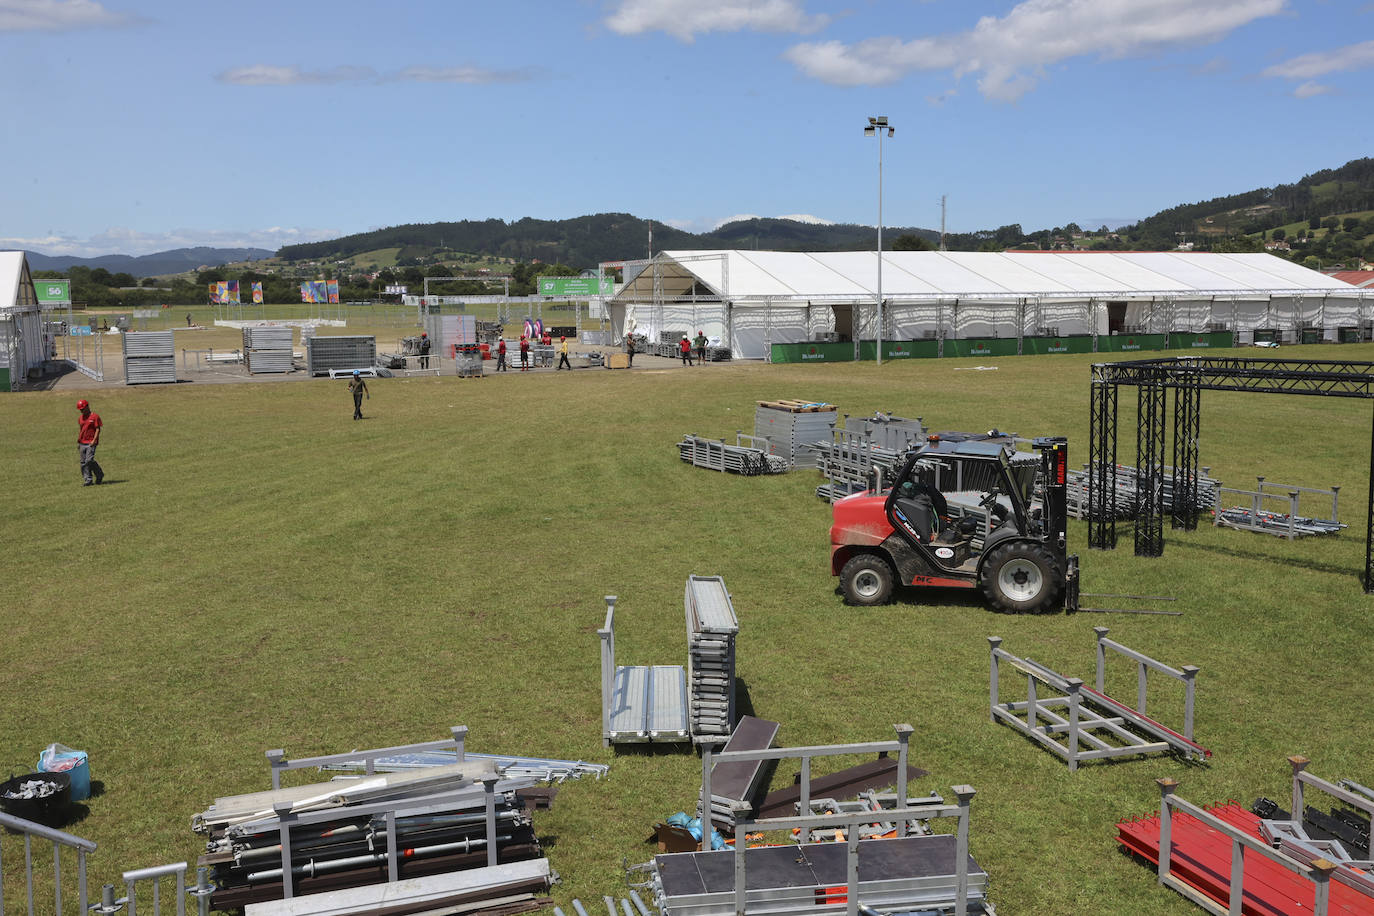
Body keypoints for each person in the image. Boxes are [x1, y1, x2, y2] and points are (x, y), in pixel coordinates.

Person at [76, 399, 103, 486]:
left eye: (83, 409)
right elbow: (82, 430)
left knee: (89, 460)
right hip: (82, 442)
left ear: (87, 406)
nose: (81, 411)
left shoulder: (95, 417)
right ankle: (88, 480)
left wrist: (94, 440)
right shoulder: (80, 418)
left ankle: (99, 475)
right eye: (80, 410)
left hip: (91, 442)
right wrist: (79, 441)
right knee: (83, 462)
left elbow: (98, 429)